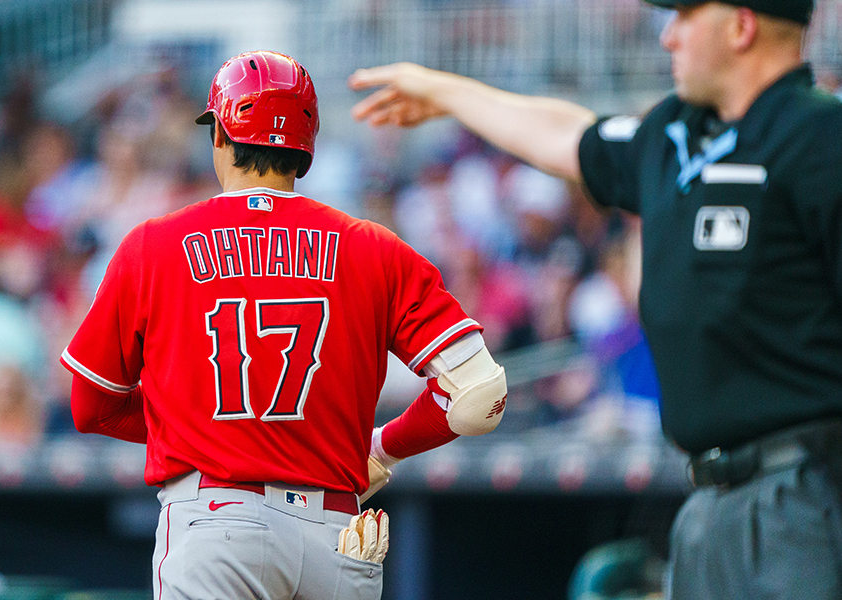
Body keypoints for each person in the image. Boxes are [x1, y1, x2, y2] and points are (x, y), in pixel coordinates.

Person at [349, 0, 842, 598]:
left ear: (741, 26)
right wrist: (448, 92)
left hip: (807, 493)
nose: (669, 38)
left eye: (685, 17)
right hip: (709, 503)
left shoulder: (823, 138)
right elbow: (568, 134)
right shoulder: (679, 135)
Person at [61, 50, 508, 600]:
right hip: (337, 535)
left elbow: (91, 405)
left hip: (216, 522)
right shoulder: (373, 247)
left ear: (221, 136)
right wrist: (381, 450)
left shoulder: (153, 244)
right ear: (305, 148)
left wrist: (190, 421)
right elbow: (480, 394)